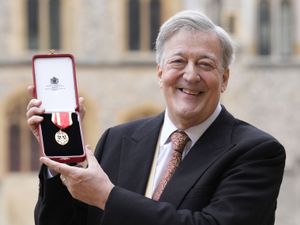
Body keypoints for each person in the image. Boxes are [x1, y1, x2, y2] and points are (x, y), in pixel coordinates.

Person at [26, 10, 285, 225]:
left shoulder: (257, 152)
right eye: (178, 62)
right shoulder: (118, 139)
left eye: (205, 64)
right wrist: (58, 154)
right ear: (160, 73)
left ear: (224, 78)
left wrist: (107, 196)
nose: (191, 75)